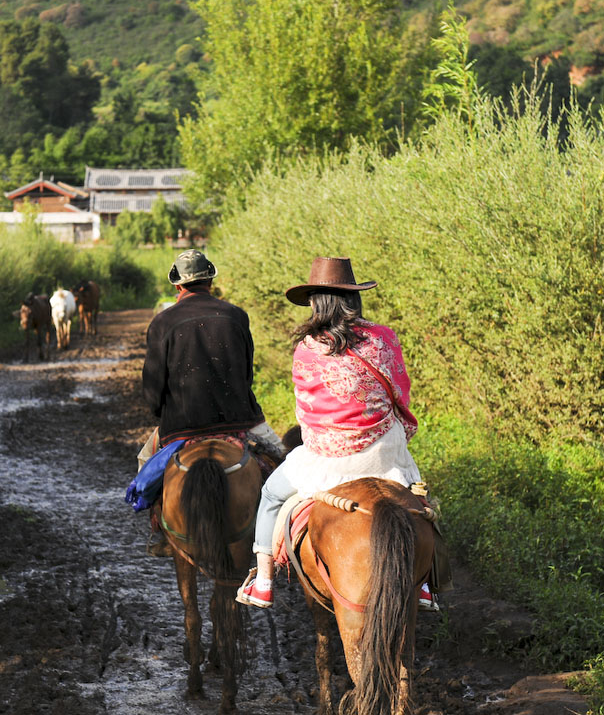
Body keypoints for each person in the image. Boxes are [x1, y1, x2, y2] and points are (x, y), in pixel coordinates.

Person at [236, 256, 448, 611]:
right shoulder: (383, 339)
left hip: (326, 459)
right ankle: (425, 583)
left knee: (271, 495)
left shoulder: (307, 348)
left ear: (316, 302)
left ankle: (264, 579)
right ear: (354, 298)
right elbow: (400, 391)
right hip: (382, 452)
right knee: (420, 501)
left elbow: (306, 410)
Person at [132, 249, 284, 554]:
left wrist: (162, 414)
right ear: (210, 281)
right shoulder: (236, 316)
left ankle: (162, 533)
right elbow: (246, 372)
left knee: (144, 465)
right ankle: (283, 536)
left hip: (182, 426)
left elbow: (152, 388)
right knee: (284, 463)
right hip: (240, 419)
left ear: (177, 285)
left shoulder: (162, 322)